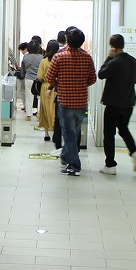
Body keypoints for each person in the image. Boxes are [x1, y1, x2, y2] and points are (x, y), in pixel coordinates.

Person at [44, 26, 96, 176]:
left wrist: (61, 83)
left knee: (69, 135)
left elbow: (49, 77)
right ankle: (66, 156)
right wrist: (80, 84)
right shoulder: (87, 57)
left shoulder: (59, 57)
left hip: (65, 101)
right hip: (81, 102)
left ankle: (74, 165)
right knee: (74, 133)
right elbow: (93, 78)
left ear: (67, 40)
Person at [98, 33, 136, 174]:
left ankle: (110, 165)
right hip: (128, 103)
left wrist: (108, 58)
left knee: (109, 134)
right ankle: (135, 152)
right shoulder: (133, 61)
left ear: (112, 47)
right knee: (123, 129)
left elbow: (101, 74)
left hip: (113, 104)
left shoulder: (114, 61)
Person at [34, 39, 59, 141]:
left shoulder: (44, 61)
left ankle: (46, 133)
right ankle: (56, 131)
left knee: (44, 109)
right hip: (57, 87)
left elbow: (39, 77)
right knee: (54, 110)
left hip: (46, 88)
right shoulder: (58, 60)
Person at [19, 40, 42, 120]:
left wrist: (23, 76)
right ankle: (39, 114)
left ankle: (29, 115)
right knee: (39, 97)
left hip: (28, 78)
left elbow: (23, 69)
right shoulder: (41, 57)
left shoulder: (26, 57)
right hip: (38, 80)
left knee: (29, 97)